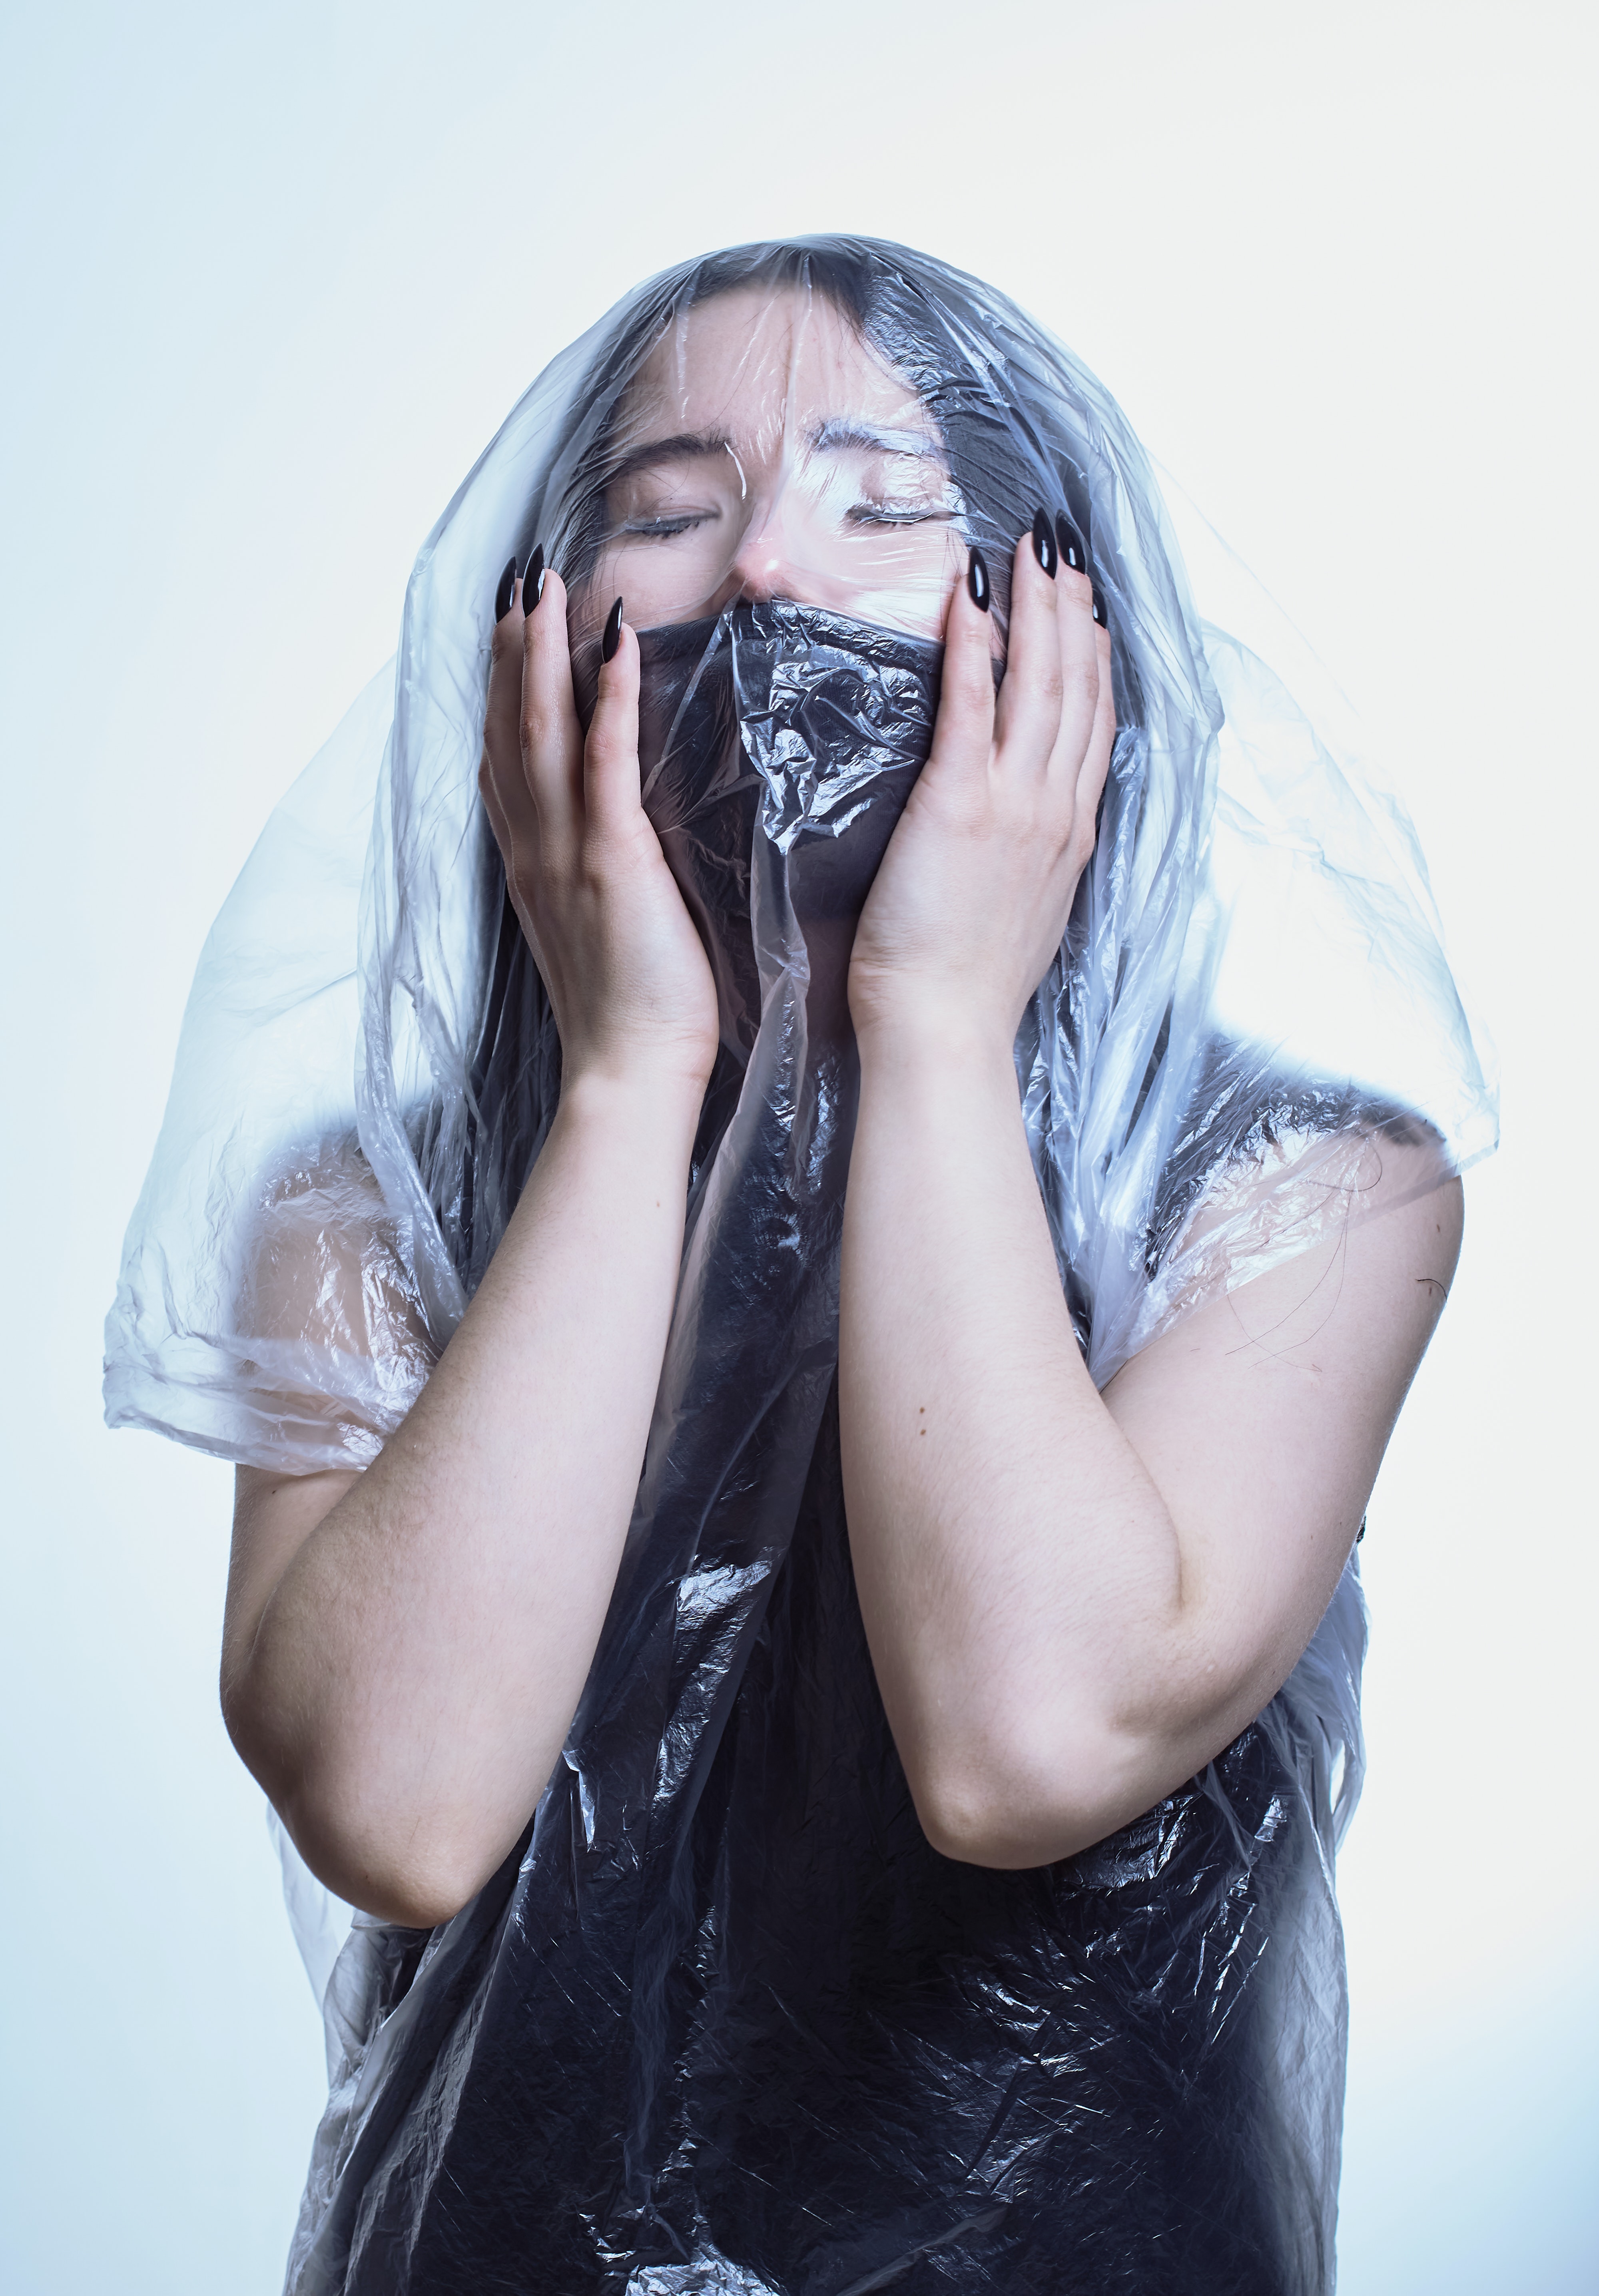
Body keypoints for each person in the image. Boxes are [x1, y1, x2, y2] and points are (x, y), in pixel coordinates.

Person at [104, 239, 1496, 2293]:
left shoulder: (1303, 1194)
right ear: (539, 645)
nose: (764, 570)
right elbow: (396, 1804)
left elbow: (1025, 1740)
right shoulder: (364, 1216)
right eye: (666, 508)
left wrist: (929, 1019)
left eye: (881, 500)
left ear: (1060, 641)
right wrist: (630, 1074)